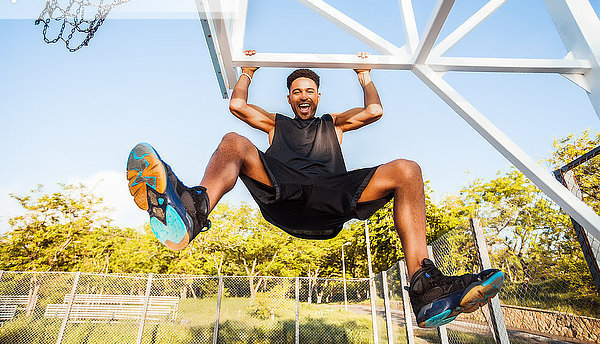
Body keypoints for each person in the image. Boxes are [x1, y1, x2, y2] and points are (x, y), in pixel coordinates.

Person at [126, 52, 504, 328]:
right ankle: (193, 211)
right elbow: (237, 104)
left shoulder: (334, 124)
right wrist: (247, 71)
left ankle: (425, 287)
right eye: (296, 91)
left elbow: (374, 112)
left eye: (309, 90)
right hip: (283, 193)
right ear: (289, 98)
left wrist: (364, 75)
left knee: (407, 170)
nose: (303, 96)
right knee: (233, 141)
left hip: (330, 199)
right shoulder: (275, 124)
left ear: (318, 96)